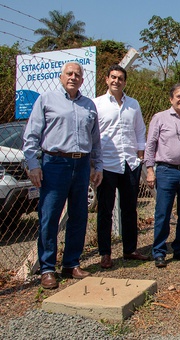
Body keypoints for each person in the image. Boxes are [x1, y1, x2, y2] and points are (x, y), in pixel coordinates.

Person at [23, 62, 103, 289]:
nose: (73, 77)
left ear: (82, 79)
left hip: (82, 164)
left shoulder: (89, 105)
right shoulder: (46, 100)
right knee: (50, 216)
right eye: (69, 73)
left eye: (77, 74)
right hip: (54, 163)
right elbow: (31, 135)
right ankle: (47, 268)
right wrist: (33, 164)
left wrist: (97, 166)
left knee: (79, 215)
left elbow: (95, 140)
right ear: (61, 77)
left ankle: (71, 264)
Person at [92, 64, 149, 269]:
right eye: (113, 77)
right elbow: (92, 133)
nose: (116, 81)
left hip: (130, 163)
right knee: (105, 210)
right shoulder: (96, 104)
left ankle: (130, 249)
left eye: (120, 78)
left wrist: (140, 153)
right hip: (106, 163)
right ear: (106, 79)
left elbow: (140, 130)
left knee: (129, 209)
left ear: (125, 82)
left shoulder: (133, 104)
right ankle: (105, 253)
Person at [145, 83, 180, 268]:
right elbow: (150, 144)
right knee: (163, 212)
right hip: (166, 171)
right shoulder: (160, 118)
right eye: (178, 96)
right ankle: (159, 252)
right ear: (171, 99)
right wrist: (149, 169)